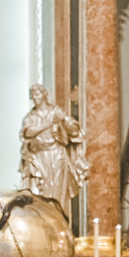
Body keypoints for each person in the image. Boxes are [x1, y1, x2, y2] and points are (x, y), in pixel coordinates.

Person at [19, 83, 89, 214]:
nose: (35, 97)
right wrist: (50, 123)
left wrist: (63, 121)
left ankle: (59, 222)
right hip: (39, 157)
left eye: (37, 93)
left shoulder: (56, 112)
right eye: (32, 95)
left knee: (57, 193)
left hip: (57, 156)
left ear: (45, 95)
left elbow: (74, 130)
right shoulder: (31, 117)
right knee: (40, 193)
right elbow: (27, 132)